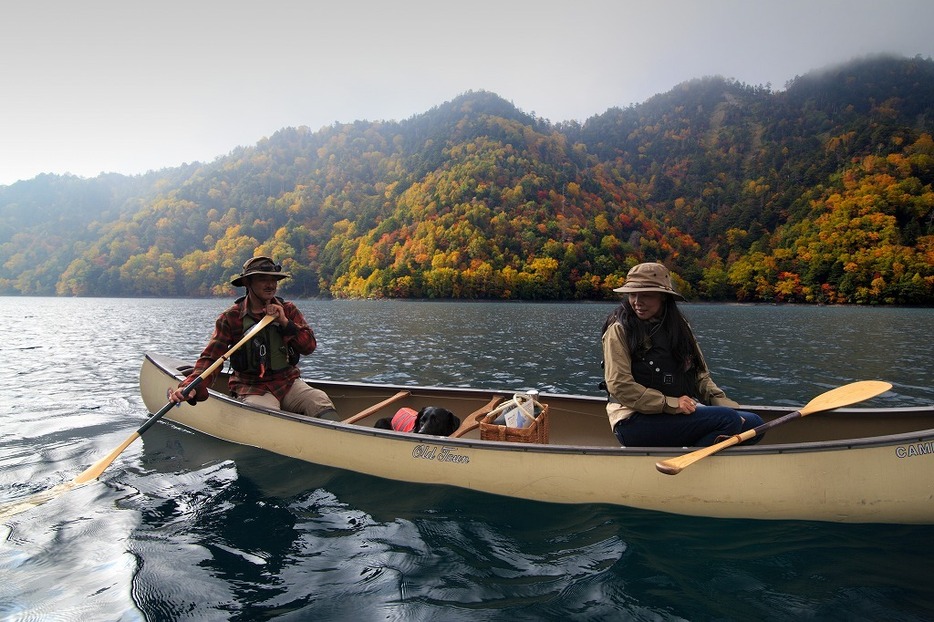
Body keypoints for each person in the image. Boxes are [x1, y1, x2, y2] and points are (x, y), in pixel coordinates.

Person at [601, 262, 763, 447]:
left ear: (663, 297)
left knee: (754, 424)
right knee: (728, 420)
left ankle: (698, 450)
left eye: (646, 295)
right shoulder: (619, 329)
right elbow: (619, 386)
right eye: (632, 294)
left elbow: (699, 376)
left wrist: (728, 406)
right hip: (633, 421)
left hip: (670, 416)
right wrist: (671, 404)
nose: (637, 301)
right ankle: (695, 460)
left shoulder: (679, 327)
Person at [169, 255, 338, 420]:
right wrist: (189, 387)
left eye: (274, 280)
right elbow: (211, 359)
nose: (270, 284)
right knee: (264, 414)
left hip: (287, 382)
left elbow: (309, 346)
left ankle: (336, 440)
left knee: (319, 401)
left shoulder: (288, 310)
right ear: (248, 283)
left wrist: (285, 322)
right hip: (251, 387)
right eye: (263, 279)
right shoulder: (230, 317)